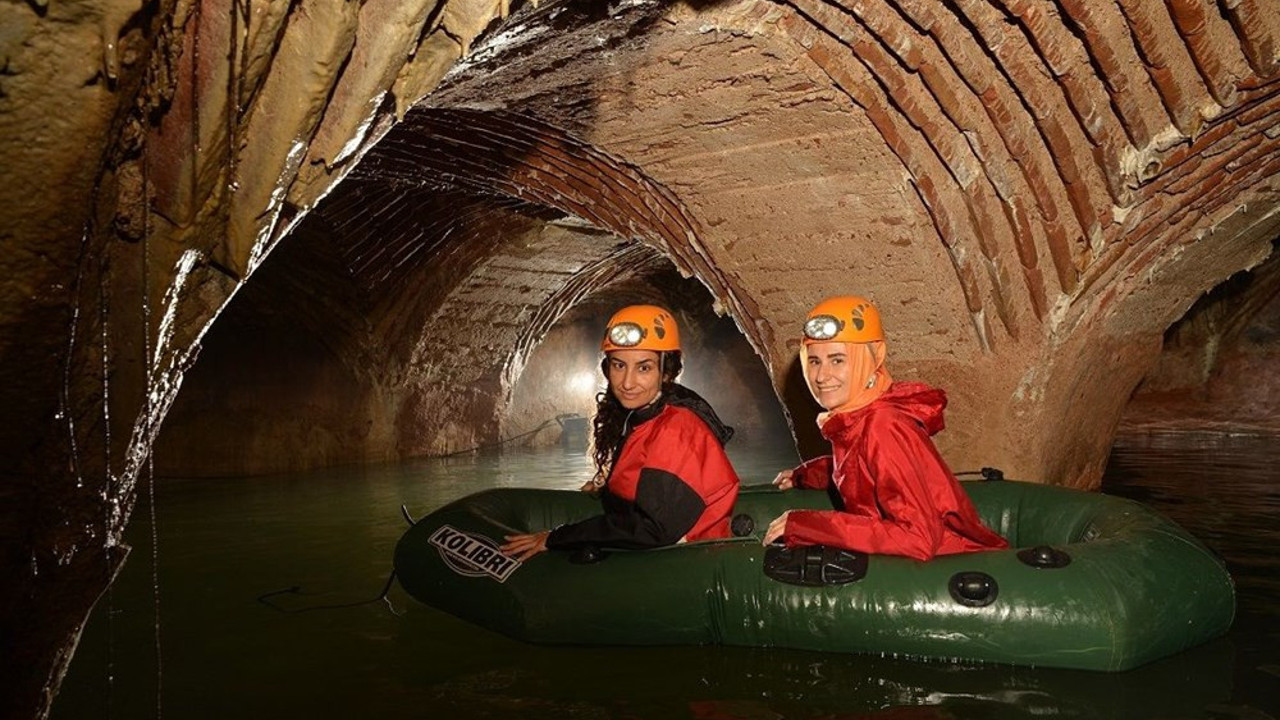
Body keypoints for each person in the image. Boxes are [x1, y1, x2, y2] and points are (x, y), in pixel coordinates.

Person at [762, 296, 1007, 561]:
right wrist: (804, 476)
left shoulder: (884, 425)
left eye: (837, 360)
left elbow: (919, 540)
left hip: (952, 564)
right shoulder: (861, 414)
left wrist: (807, 525)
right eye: (814, 361)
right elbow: (858, 467)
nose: (821, 376)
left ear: (874, 357)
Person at [500, 305, 741, 561]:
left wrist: (557, 537)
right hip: (670, 538)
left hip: (688, 554)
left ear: (667, 371)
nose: (627, 382)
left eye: (644, 368)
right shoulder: (646, 413)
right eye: (619, 365)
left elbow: (654, 529)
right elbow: (646, 470)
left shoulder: (676, 428)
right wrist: (609, 486)